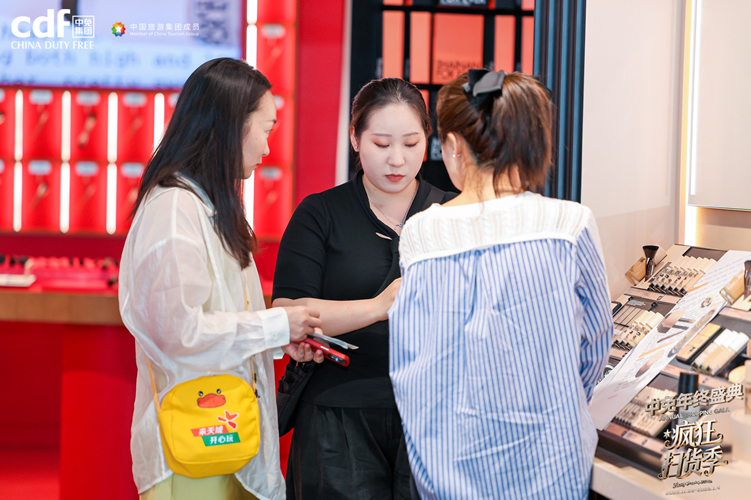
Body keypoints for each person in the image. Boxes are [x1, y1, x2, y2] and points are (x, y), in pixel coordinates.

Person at [389, 70, 614, 499]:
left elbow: (411, 365)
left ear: (453, 146)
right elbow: (595, 345)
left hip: (449, 466)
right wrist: (559, 403)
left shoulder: (422, 232)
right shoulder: (569, 223)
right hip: (551, 461)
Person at [118, 58, 324, 500]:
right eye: (265, 129)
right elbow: (180, 334)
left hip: (225, 437)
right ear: (232, 126)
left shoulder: (207, 204)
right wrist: (274, 326)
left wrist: (278, 339)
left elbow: (221, 318)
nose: (267, 148)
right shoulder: (175, 210)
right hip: (191, 446)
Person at [272, 78, 455, 499]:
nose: (397, 159)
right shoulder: (321, 213)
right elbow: (287, 313)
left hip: (432, 418)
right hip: (336, 419)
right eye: (381, 144)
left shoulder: (453, 213)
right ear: (355, 138)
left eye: (411, 144)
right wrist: (378, 306)